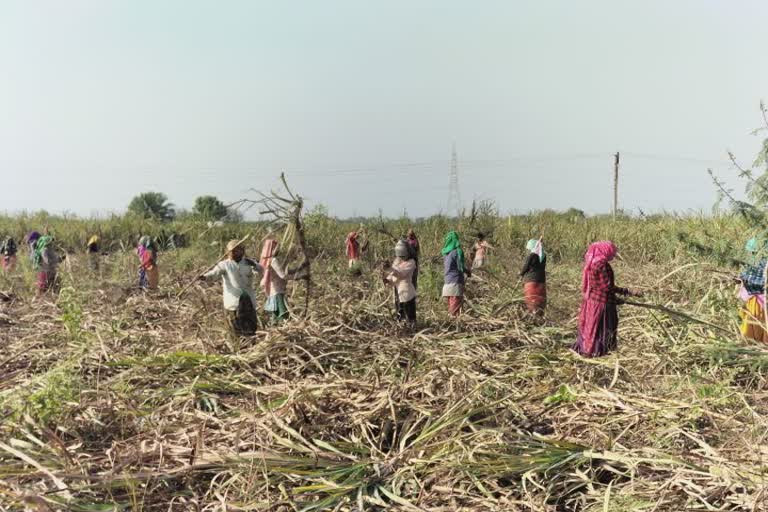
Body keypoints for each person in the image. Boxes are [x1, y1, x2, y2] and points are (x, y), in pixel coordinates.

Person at [573, 241, 639, 357]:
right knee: (602, 329)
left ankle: (587, 350)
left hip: (592, 301)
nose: (613, 254)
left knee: (591, 327)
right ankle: (598, 352)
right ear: (605, 251)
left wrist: (621, 296)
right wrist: (626, 292)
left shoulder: (592, 262)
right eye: (611, 251)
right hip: (602, 304)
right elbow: (607, 287)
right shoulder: (602, 265)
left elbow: (599, 285)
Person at [201, 239, 262, 337]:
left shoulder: (248, 263)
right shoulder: (224, 265)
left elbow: (261, 270)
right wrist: (205, 277)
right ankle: (238, 348)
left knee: (250, 328)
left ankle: (250, 346)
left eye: (235, 251)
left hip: (248, 301)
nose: (232, 253)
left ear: (242, 251)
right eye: (230, 251)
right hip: (233, 302)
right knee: (235, 329)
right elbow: (214, 273)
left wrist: (255, 265)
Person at [738, 237, 768, 342]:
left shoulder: (754, 262)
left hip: (756, 300)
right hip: (756, 300)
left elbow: (746, 277)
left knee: (752, 332)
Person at [382, 239, 417, 324]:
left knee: (409, 315)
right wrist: (387, 280)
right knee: (400, 314)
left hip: (407, 293)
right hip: (398, 293)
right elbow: (392, 276)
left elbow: (400, 274)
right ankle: (403, 330)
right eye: (400, 256)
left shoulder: (411, 262)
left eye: (403, 256)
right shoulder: (397, 260)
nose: (401, 258)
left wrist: (390, 268)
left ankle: (411, 330)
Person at [260, 239, 290, 325]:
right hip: (278, 291)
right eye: (276, 247)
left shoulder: (266, 261)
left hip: (272, 292)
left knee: (274, 317)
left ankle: (273, 332)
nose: (278, 249)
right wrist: (296, 276)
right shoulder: (273, 260)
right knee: (283, 316)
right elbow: (283, 275)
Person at [442, 231, 471, 317]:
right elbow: (460, 267)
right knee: (454, 309)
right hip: (455, 283)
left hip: (447, 283)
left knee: (451, 304)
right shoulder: (456, 252)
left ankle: (452, 322)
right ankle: (453, 323)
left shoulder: (445, 253)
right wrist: (468, 271)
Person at [520, 239, 547, 315]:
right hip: (541, 281)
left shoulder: (531, 255)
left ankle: (532, 315)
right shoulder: (543, 256)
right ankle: (539, 315)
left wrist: (521, 274)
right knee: (540, 300)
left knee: (531, 301)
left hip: (531, 281)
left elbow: (525, 267)